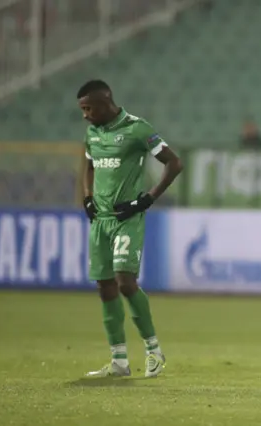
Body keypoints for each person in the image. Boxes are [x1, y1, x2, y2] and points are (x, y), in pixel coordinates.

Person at [79, 80, 183, 378]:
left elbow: (174, 163)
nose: (85, 115)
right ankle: (119, 361)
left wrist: (147, 199)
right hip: (100, 221)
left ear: (106, 102)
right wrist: (87, 197)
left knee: (125, 281)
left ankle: (153, 351)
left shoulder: (138, 129)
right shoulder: (92, 133)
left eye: (89, 108)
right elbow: (88, 165)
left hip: (127, 217)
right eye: (82, 109)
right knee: (105, 286)